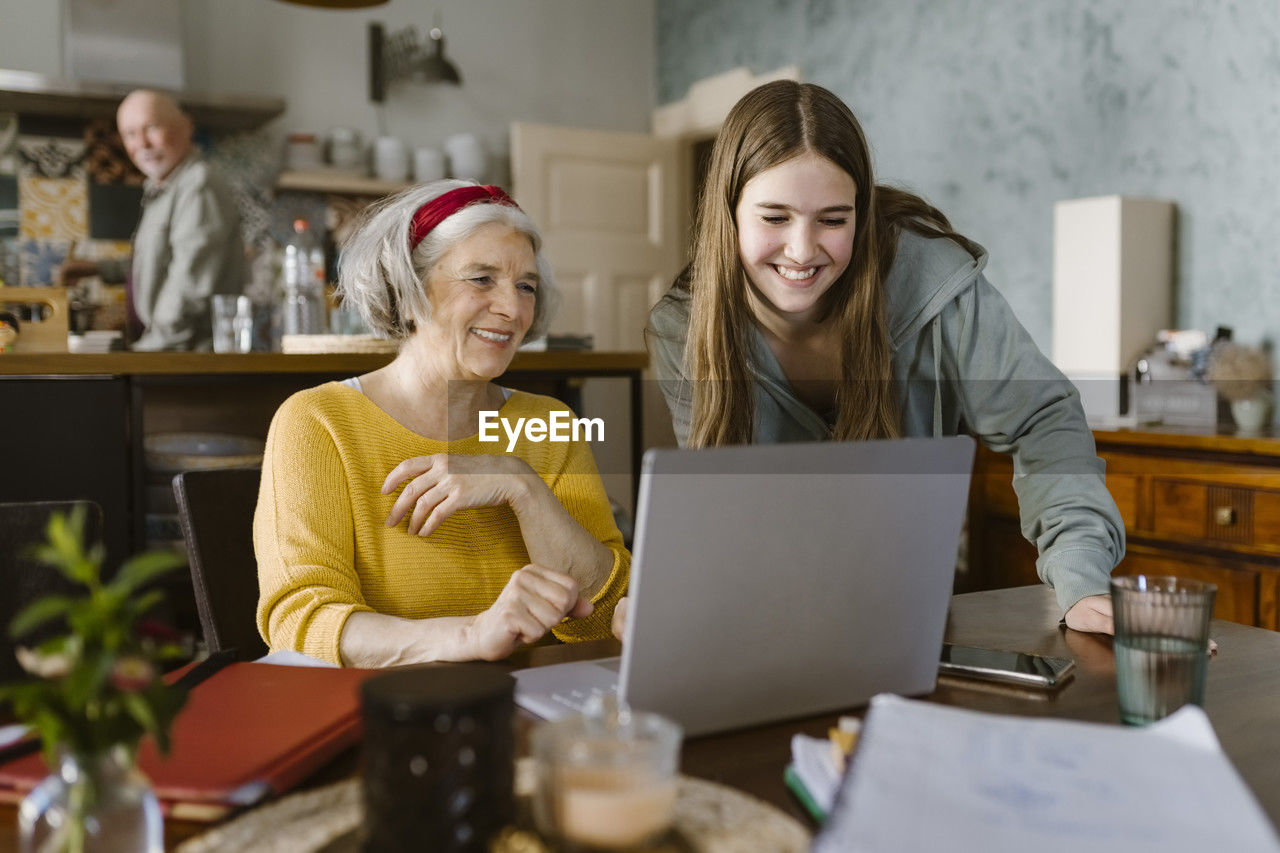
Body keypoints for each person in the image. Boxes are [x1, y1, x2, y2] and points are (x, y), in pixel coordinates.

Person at [646, 81, 1124, 635]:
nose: (802, 250)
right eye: (774, 218)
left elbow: (1043, 420)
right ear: (727, 214)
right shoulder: (682, 329)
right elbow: (721, 516)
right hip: (763, 627)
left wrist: (1080, 576)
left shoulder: (934, 283)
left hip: (908, 623)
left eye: (832, 219)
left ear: (861, 214)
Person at [254, 181, 628, 666]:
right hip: (382, 711)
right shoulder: (317, 422)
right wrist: (470, 636)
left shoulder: (548, 423)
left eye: (525, 286)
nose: (512, 310)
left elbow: (604, 616)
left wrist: (520, 483)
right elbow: (300, 622)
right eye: (481, 279)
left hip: (530, 705)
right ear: (409, 291)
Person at [60, 89, 244, 350]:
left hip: (190, 358)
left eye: (152, 128)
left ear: (186, 127)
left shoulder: (198, 185)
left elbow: (189, 282)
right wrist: (96, 268)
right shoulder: (163, 187)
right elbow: (156, 264)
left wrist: (150, 349)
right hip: (174, 354)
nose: (142, 144)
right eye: (130, 134)